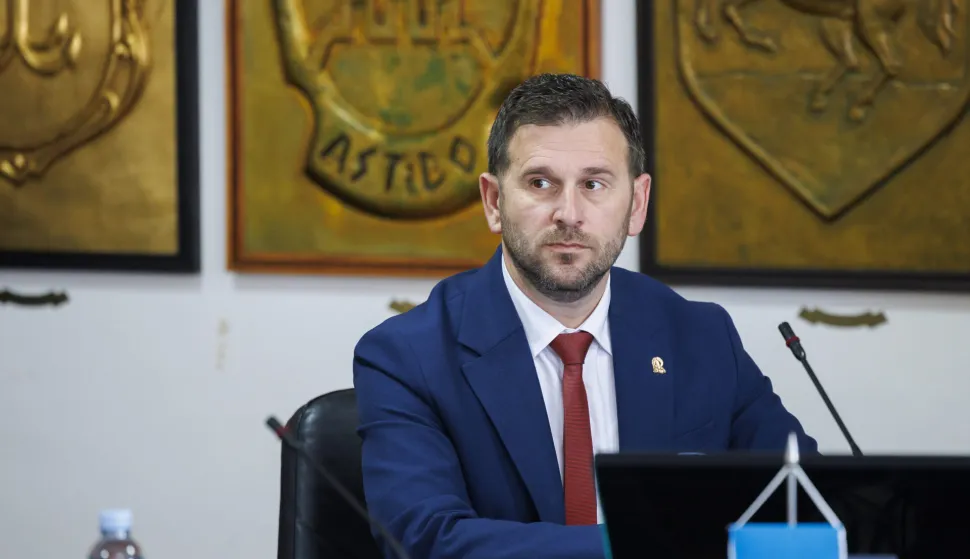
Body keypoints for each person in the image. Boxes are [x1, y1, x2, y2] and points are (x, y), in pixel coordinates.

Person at [352, 73, 816, 559]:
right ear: (494, 202)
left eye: (594, 184)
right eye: (540, 183)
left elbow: (802, 502)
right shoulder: (408, 355)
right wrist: (654, 545)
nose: (569, 214)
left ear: (636, 204)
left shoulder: (701, 336)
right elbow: (427, 541)